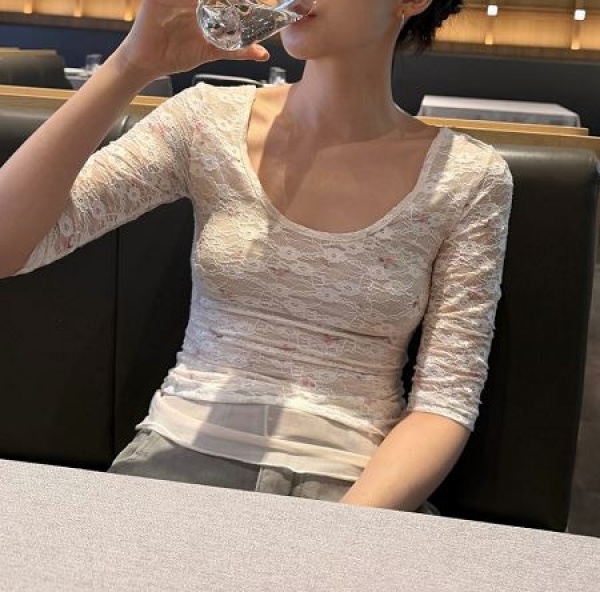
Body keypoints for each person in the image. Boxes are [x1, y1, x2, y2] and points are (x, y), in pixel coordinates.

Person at [0, 0, 513, 515]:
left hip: (355, 487)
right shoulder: (206, 122)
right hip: (177, 463)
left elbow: (444, 401)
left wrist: (344, 533)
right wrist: (133, 63)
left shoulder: (467, 179)